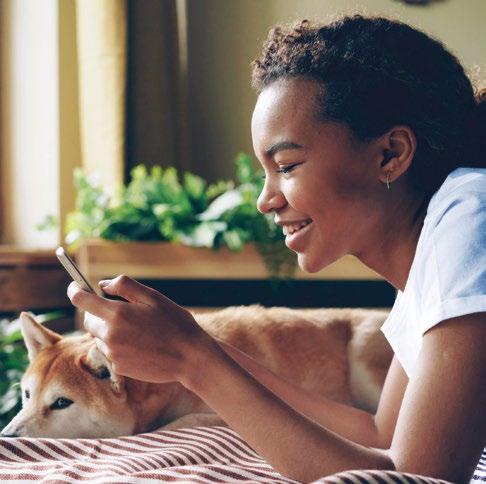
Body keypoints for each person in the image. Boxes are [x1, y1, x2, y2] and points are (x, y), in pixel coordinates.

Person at [67, 15, 486, 483]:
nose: (265, 200)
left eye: (286, 165)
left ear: (391, 154)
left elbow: (416, 478)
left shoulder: (470, 215)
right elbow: (379, 434)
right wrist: (198, 347)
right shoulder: (431, 254)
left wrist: (194, 359)